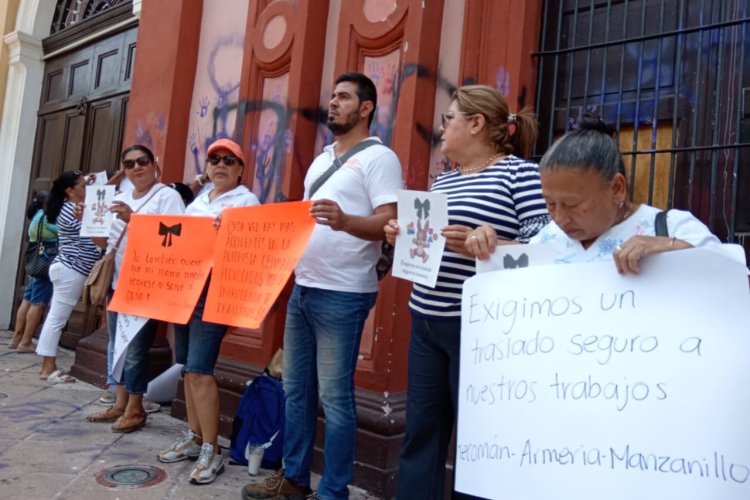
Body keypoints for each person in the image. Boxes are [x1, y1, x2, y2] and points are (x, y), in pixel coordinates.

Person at [242, 72, 403, 500]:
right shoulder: (320, 160)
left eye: (344, 97)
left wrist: (348, 220)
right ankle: (294, 480)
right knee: (296, 390)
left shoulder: (379, 159)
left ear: (365, 108)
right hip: (304, 289)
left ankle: (333, 492)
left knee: (335, 399)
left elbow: (390, 221)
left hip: (345, 293)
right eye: (332, 96)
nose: (333, 103)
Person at [385, 85, 550, 500]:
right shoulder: (444, 181)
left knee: (478, 440)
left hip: (481, 330)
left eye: (449, 119)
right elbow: (428, 245)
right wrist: (400, 236)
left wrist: (489, 243)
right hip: (425, 320)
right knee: (420, 433)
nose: (442, 128)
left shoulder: (520, 175)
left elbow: (548, 250)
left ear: (476, 124)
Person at [465, 113, 728, 272]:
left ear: (616, 188)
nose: (560, 218)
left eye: (572, 204)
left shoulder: (669, 227)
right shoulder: (548, 237)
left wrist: (671, 247)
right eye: (550, 204)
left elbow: (738, 284)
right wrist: (490, 245)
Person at [157, 138, 260, 485]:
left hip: (214, 293)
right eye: (215, 159)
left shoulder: (246, 202)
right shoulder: (199, 202)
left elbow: (252, 247)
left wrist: (230, 233)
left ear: (241, 169)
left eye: (229, 160)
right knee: (187, 368)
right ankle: (195, 435)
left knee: (201, 369)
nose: (220, 165)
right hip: (186, 289)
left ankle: (213, 450)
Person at [86, 144, 185, 432]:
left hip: (146, 284)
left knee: (136, 349)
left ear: (155, 164)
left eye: (143, 161)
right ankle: (119, 403)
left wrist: (135, 220)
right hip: (117, 282)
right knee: (117, 345)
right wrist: (90, 222)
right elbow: (105, 244)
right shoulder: (121, 196)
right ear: (124, 169)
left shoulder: (167, 196)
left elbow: (176, 237)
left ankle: (135, 407)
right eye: (129, 164)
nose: (137, 168)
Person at [35, 172, 101, 381]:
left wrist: (95, 181)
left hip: (66, 268)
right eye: (82, 185)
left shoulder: (67, 207)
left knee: (55, 316)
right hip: (71, 269)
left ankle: (47, 365)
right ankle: (47, 367)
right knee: (57, 319)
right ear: (70, 191)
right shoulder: (74, 210)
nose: (87, 188)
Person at [9, 192, 57, 352]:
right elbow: (63, 230)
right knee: (38, 303)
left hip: (34, 263)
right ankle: (26, 341)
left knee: (27, 300)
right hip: (44, 264)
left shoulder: (36, 216)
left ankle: (17, 338)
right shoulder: (47, 217)